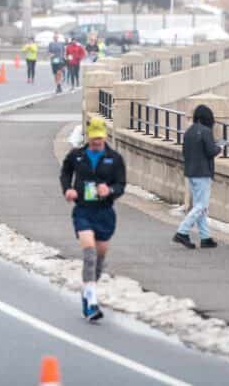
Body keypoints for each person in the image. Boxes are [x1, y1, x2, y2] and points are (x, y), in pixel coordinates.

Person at [60, 116, 126, 322]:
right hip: (83, 211)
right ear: (88, 137)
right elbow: (65, 172)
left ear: (104, 137)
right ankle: (92, 303)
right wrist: (68, 189)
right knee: (89, 254)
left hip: (104, 213)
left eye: (100, 139)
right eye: (93, 139)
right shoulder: (77, 156)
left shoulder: (114, 159)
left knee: (98, 260)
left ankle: (87, 292)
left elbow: (121, 184)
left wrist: (110, 190)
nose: (97, 143)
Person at [173, 104, 220, 249]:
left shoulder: (188, 132)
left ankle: (205, 237)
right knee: (201, 206)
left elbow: (185, 152)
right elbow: (211, 151)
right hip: (203, 173)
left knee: (201, 206)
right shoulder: (206, 131)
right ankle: (182, 231)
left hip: (190, 172)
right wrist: (220, 147)